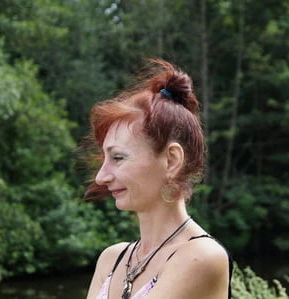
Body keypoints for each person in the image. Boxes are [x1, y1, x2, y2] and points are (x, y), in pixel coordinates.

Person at [84, 59, 232, 299]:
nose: (101, 177)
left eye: (118, 157)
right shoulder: (111, 259)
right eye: (104, 159)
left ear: (172, 160)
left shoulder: (201, 257)